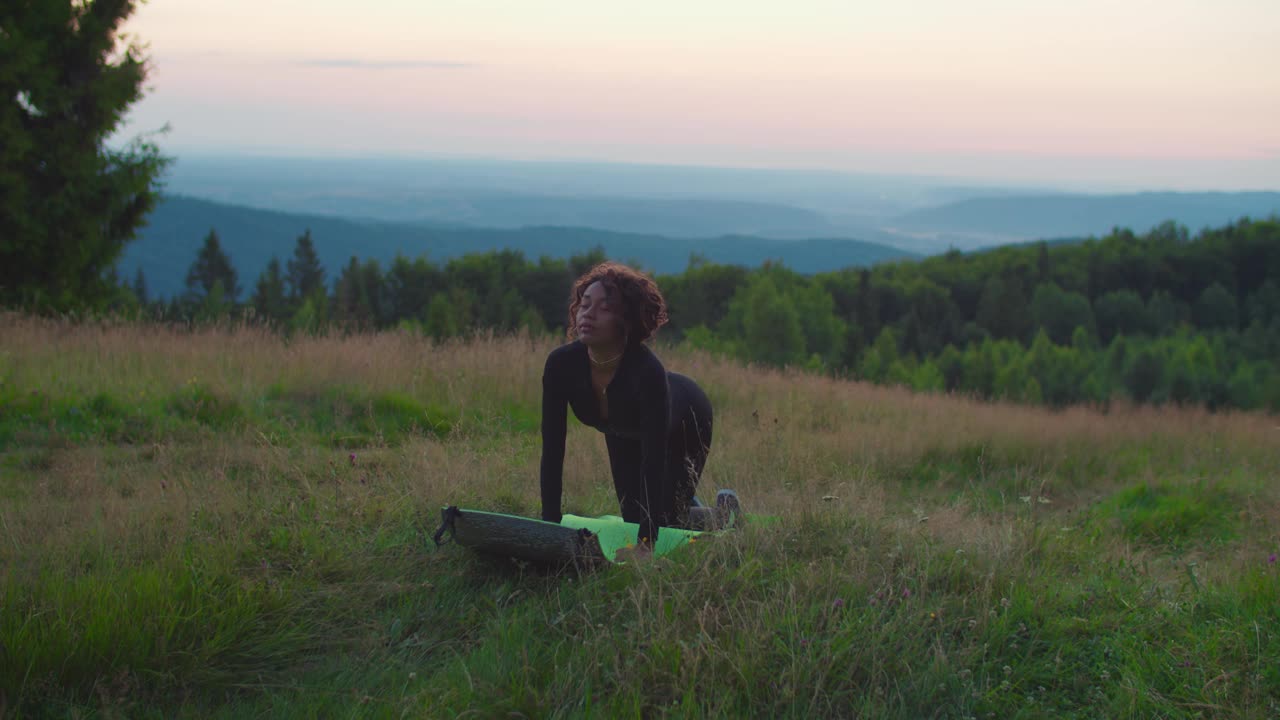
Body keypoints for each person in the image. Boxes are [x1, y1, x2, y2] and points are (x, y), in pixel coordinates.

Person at [539, 262, 717, 551]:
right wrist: (548, 529)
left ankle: (724, 513)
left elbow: (653, 459)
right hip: (623, 429)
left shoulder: (647, 373)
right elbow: (552, 450)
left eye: (604, 308)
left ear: (628, 319)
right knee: (634, 518)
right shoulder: (561, 365)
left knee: (663, 519)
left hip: (685, 419)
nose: (588, 314)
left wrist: (645, 547)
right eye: (585, 305)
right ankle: (684, 503)